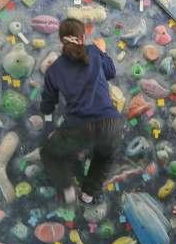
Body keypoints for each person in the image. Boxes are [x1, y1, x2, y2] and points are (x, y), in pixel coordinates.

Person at [39, 18, 124, 204]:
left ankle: (67, 188)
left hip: (78, 128)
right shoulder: (94, 52)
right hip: (110, 124)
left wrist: (45, 111)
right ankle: (89, 193)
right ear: (83, 37)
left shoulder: (53, 70)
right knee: (104, 156)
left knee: (48, 153)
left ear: (61, 40)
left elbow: (48, 105)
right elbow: (110, 73)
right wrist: (103, 51)